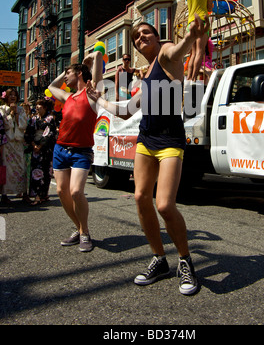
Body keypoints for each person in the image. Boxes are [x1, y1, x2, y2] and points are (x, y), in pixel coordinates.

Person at [92, 17, 206, 295]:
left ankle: (185, 261)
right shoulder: (147, 74)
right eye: (136, 37)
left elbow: (179, 50)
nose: (142, 38)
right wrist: (99, 99)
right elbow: (127, 111)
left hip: (170, 140)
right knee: (142, 198)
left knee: (165, 205)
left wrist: (190, 37)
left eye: (146, 33)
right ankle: (159, 258)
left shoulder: (166, 55)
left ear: (157, 37)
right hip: (146, 139)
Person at [48, 51, 103, 252]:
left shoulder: (91, 93)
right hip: (60, 148)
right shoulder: (67, 97)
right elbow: (51, 87)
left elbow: (96, 77)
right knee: (62, 191)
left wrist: (95, 57)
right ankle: (79, 229)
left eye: (68, 73)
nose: (65, 77)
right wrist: (67, 72)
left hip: (81, 151)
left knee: (76, 191)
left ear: (79, 74)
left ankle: (85, 232)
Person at [180, 0, 213, 81]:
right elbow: (209, 8)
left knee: (192, 53)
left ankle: (189, 78)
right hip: (201, 22)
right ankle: (194, 78)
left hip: (191, 23)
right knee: (200, 51)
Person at [24, 98, 57, 205]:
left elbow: (50, 133)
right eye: (36, 105)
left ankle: (44, 195)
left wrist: (41, 145)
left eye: (40, 105)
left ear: (45, 107)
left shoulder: (50, 118)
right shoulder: (33, 119)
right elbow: (28, 133)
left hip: (45, 149)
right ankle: (37, 195)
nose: (37, 107)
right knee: (35, 172)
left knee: (46, 172)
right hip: (35, 149)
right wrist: (34, 145)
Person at [0, 88, 27, 205]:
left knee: (21, 167)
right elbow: (4, 125)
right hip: (8, 143)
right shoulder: (2, 109)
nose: (12, 97)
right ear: (6, 97)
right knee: (6, 168)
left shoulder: (21, 109)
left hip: (18, 142)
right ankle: (4, 194)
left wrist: (16, 114)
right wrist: (10, 114)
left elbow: (24, 124)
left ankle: (23, 192)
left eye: (14, 95)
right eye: (10, 95)